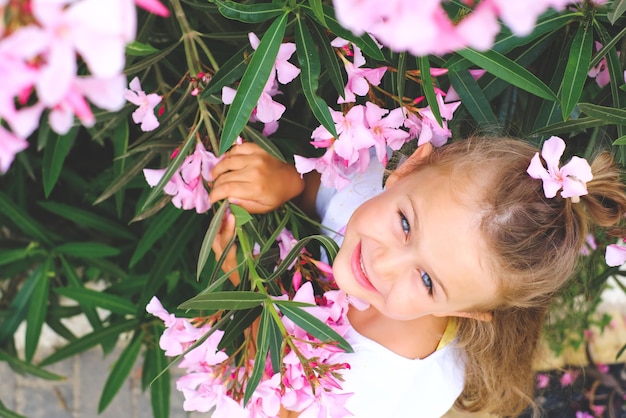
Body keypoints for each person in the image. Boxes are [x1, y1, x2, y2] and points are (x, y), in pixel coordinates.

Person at [208, 136, 626, 418]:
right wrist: (289, 179)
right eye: (405, 224)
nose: (383, 264)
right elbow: (330, 189)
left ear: (466, 311)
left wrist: (243, 288)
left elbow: (277, 399)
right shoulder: (368, 188)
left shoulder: (369, 380)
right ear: (410, 167)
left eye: (427, 281)